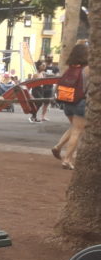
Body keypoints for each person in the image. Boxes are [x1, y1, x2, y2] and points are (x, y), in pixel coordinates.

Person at [51, 41, 90, 170]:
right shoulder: (87, 69)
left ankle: (58, 146)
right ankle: (67, 160)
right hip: (81, 102)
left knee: (74, 127)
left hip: (67, 102)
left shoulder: (69, 68)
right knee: (77, 131)